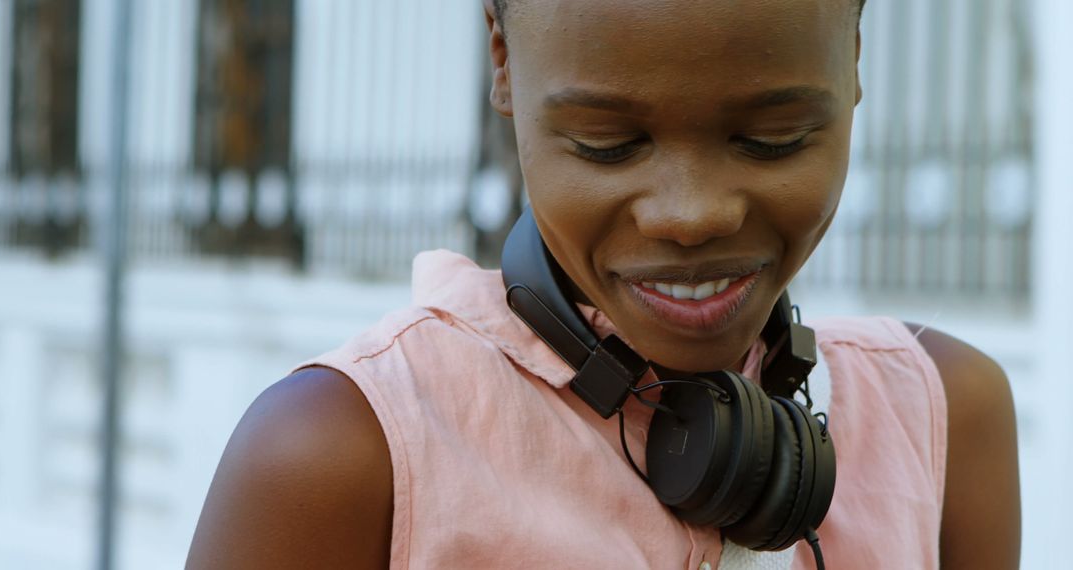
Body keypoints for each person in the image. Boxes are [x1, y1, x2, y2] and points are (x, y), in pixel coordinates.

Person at [186, 0, 1021, 567]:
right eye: (606, 145)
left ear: (853, 59)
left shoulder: (944, 420)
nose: (691, 215)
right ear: (503, 60)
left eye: (774, 139)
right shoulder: (341, 457)